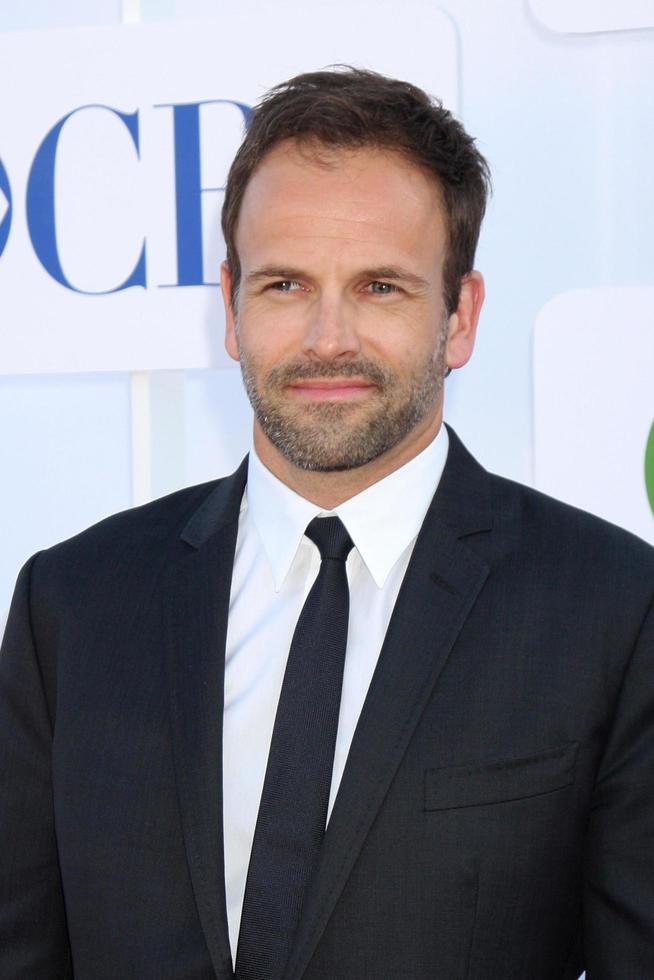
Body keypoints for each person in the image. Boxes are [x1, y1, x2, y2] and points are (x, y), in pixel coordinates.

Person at [1, 67, 653, 980]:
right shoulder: (71, 605)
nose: (328, 338)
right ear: (229, 306)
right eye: (285, 285)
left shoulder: (613, 609)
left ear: (459, 316)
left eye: (380, 287)